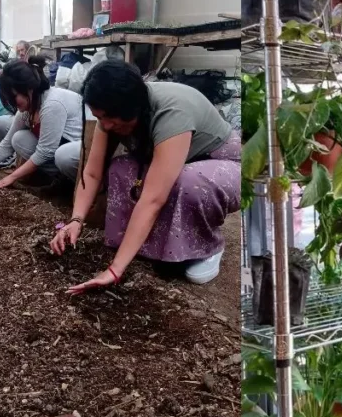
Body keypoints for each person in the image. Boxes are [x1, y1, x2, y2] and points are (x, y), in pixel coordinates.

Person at [49, 60, 241, 289]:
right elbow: (91, 173)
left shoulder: (172, 112)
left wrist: (114, 270)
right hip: (180, 162)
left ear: (133, 108)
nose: (106, 126)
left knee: (185, 182)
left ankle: (206, 247)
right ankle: (142, 245)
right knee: (120, 169)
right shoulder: (111, 114)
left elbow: (153, 199)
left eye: (110, 118)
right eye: (100, 117)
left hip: (222, 163)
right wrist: (76, 220)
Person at [0, 56, 83, 190]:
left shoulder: (52, 104)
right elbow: (7, 143)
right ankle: (61, 179)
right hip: (64, 149)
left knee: (63, 156)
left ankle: (78, 184)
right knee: (19, 139)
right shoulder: (29, 106)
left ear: (29, 88)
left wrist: (12, 177)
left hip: (85, 151)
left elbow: (45, 152)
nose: (11, 102)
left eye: (13, 96)